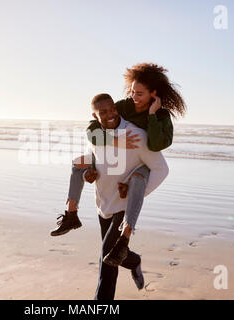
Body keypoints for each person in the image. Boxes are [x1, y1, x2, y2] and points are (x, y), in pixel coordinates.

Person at [51, 63, 186, 267]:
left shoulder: (161, 116)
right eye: (132, 91)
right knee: (78, 163)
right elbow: (93, 129)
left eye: (139, 93)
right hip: (119, 165)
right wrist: (109, 147)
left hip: (143, 162)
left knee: (138, 179)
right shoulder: (123, 106)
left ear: (154, 94)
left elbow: (157, 144)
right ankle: (71, 213)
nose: (134, 97)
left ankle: (126, 239)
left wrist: (151, 114)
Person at [53, 93, 169, 300]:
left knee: (106, 262)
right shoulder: (97, 135)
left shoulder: (136, 135)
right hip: (103, 205)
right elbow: (93, 158)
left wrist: (139, 194)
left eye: (112, 109)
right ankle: (133, 261)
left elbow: (161, 169)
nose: (109, 115)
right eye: (103, 112)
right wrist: (90, 171)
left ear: (117, 108)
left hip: (123, 208)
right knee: (113, 255)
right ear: (95, 116)